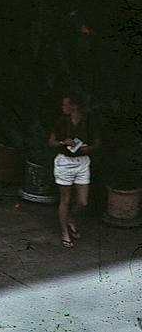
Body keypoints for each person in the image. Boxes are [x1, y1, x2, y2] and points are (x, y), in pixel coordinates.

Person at [48, 91, 100, 248]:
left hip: (82, 161)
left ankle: (71, 218)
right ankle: (64, 232)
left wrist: (87, 149)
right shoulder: (61, 122)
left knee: (83, 201)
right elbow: (51, 142)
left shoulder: (88, 122)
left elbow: (97, 143)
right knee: (65, 200)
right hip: (64, 162)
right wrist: (64, 142)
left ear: (74, 106)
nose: (63, 107)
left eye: (65, 104)